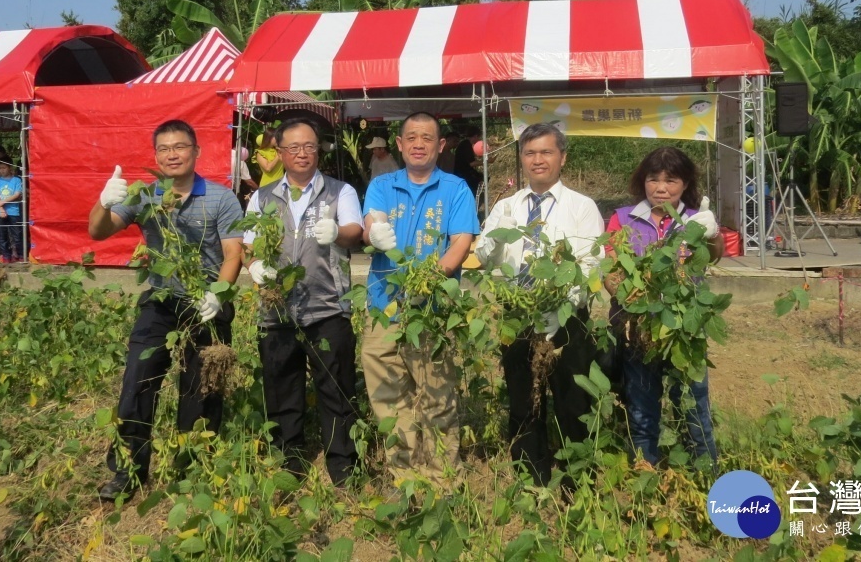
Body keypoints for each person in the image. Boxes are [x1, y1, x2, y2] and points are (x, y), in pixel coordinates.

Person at [88, 119, 244, 501]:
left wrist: (218, 295)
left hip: (205, 302)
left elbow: (232, 254)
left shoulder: (222, 198)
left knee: (202, 385)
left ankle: (191, 465)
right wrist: (103, 201)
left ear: (196, 151)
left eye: (180, 147)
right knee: (138, 380)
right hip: (161, 300)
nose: (172, 154)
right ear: (156, 155)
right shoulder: (145, 195)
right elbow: (98, 232)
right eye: (164, 149)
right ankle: (129, 469)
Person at [474, 123, 605, 486]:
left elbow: (590, 261)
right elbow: (484, 257)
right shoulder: (506, 206)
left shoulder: (582, 207)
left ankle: (575, 481)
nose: (538, 160)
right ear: (521, 159)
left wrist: (560, 302)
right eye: (530, 153)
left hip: (566, 318)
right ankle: (531, 479)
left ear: (562, 157)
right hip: (517, 316)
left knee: (571, 400)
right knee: (523, 401)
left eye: (546, 152)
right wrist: (497, 237)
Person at [243, 118, 364, 486]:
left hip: (328, 307)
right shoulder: (262, 197)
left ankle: (343, 464)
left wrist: (338, 232)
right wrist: (255, 264)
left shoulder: (339, 191)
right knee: (281, 387)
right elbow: (248, 244)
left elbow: (355, 231)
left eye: (309, 146)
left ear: (319, 149)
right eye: (293, 147)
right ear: (278, 153)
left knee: (336, 388)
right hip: (276, 309)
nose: (301, 154)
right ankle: (289, 460)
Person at [362, 112, 479, 474]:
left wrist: (428, 280)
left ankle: (442, 476)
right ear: (399, 144)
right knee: (388, 395)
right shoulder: (383, 186)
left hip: (432, 309)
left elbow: (460, 242)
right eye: (411, 137)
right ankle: (404, 474)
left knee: (437, 394)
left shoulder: (455, 188)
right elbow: (371, 225)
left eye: (426, 138)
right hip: (383, 305)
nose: (418, 144)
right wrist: (373, 234)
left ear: (440, 145)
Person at [602, 146, 723, 467]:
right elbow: (611, 271)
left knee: (694, 407)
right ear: (642, 182)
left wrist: (710, 233)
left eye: (670, 180)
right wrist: (632, 295)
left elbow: (714, 255)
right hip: (637, 329)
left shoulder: (697, 220)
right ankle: (645, 480)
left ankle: (705, 478)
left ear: (685, 184)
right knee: (641, 410)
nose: (660, 187)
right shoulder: (623, 218)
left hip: (685, 330)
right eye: (653, 179)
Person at [0, 162, 24, 263]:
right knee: (2, 235)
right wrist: (1, 208)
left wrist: (3, 202)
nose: (2, 170)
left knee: (17, 235)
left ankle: (20, 255)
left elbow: (17, 194)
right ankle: (6, 256)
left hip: (13, 210)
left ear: (9, 168)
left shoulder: (17, 180)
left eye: (4, 168)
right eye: (0, 168)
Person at [453, 126, 483, 199]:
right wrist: (486, 161)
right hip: (463, 175)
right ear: (476, 136)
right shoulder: (466, 145)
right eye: (479, 137)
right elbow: (471, 163)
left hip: (462, 173)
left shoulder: (465, 144)